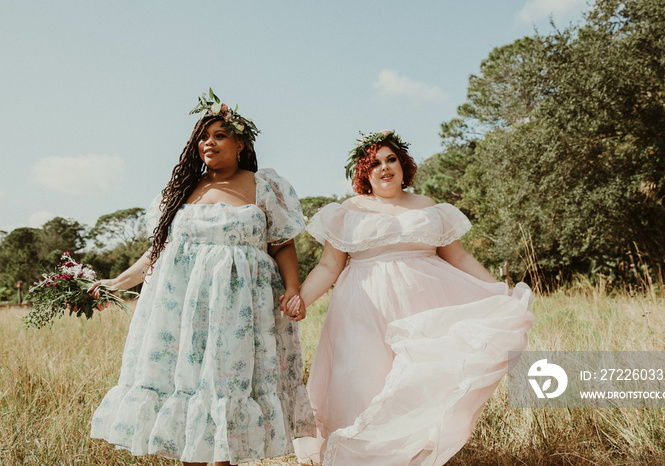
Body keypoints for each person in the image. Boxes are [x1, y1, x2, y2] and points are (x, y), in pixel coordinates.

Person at [88, 90, 315, 466]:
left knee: (226, 391)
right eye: (203, 137)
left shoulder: (263, 186)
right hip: (184, 313)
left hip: (242, 315)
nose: (209, 142)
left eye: (219, 135)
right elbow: (159, 253)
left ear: (240, 143)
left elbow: (282, 244)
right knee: (189, 394)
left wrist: (293, 289)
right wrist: (115, 283)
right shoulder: (181, 192)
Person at [289, 130, 535, 465]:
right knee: (362, 385)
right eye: (375, 163)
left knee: (419, 387)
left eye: (391, 159)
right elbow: (329, 266)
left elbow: (459, 258)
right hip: (362, 310)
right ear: (364, 172)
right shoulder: (348, 211)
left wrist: (498, 292)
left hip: (424, 309)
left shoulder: (430, 207)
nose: (385, 167)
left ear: (404, 165)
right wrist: (300, 299)